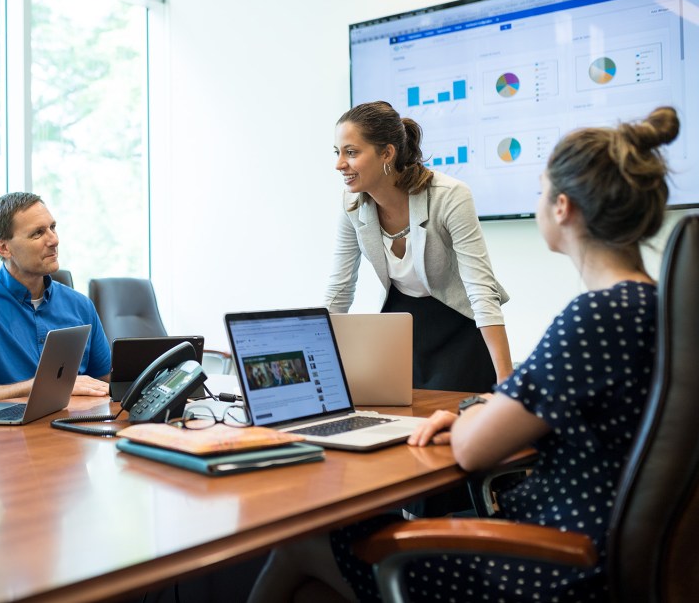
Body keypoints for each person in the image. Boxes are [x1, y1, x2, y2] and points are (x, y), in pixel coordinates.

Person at [249, 106, 678, 603]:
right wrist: (488, 412)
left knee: (305, 543)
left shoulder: (593, 318)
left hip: (550, 566)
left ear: (562, 208)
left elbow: (475, 449)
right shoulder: (661, 309)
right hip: (600, 547)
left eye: (539, 191)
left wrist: (480, 413)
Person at [326, 101, 513, 391]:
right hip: (402, 328)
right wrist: (315, 369)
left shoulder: (449, 196)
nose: (339, 164)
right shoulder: (352, 204)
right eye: (337, 152)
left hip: (457, 329)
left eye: (351, 152)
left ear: (387, 152)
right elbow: (339, 291)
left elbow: (480, 288)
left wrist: (507, 385)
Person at [0, 192, 110, 404]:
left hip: (74, 426)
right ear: (4, 248)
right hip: (4, 433)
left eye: (53, 227)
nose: (54, 240)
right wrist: (44, 385)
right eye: (38, 233)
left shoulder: (80, 305)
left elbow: (106, 380)